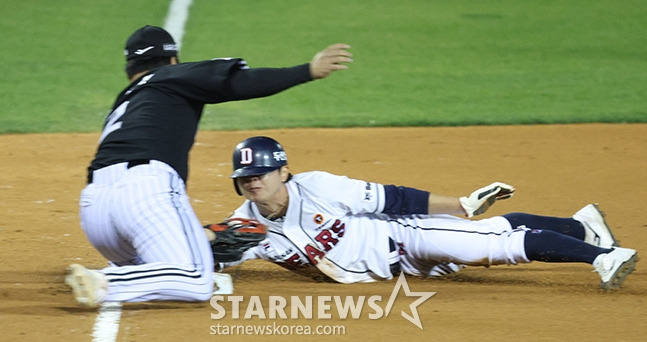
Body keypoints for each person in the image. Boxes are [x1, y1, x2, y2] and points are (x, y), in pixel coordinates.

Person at [64, 25, 352, 308]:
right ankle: (105, 282)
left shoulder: (125, 100)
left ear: (130, 68)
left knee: (160, 266)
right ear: (172, 60)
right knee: (196, 280)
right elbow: (239, 82)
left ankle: (188, 247)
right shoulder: (173, 74)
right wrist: (308, 70)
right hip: (144, 191)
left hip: (96, 212)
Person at [213, 136, 638, 290]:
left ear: (283, 171)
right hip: (405, 273)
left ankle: (602, 258)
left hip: (407, 234)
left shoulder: (318, 187)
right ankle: (583, 226)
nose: (254, 181)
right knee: (490, 234)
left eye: (263, 173)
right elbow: (217, 249)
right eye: (246, 175)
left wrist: (460, 205)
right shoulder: (247, 225)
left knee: (493, 246)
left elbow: (392, 198)